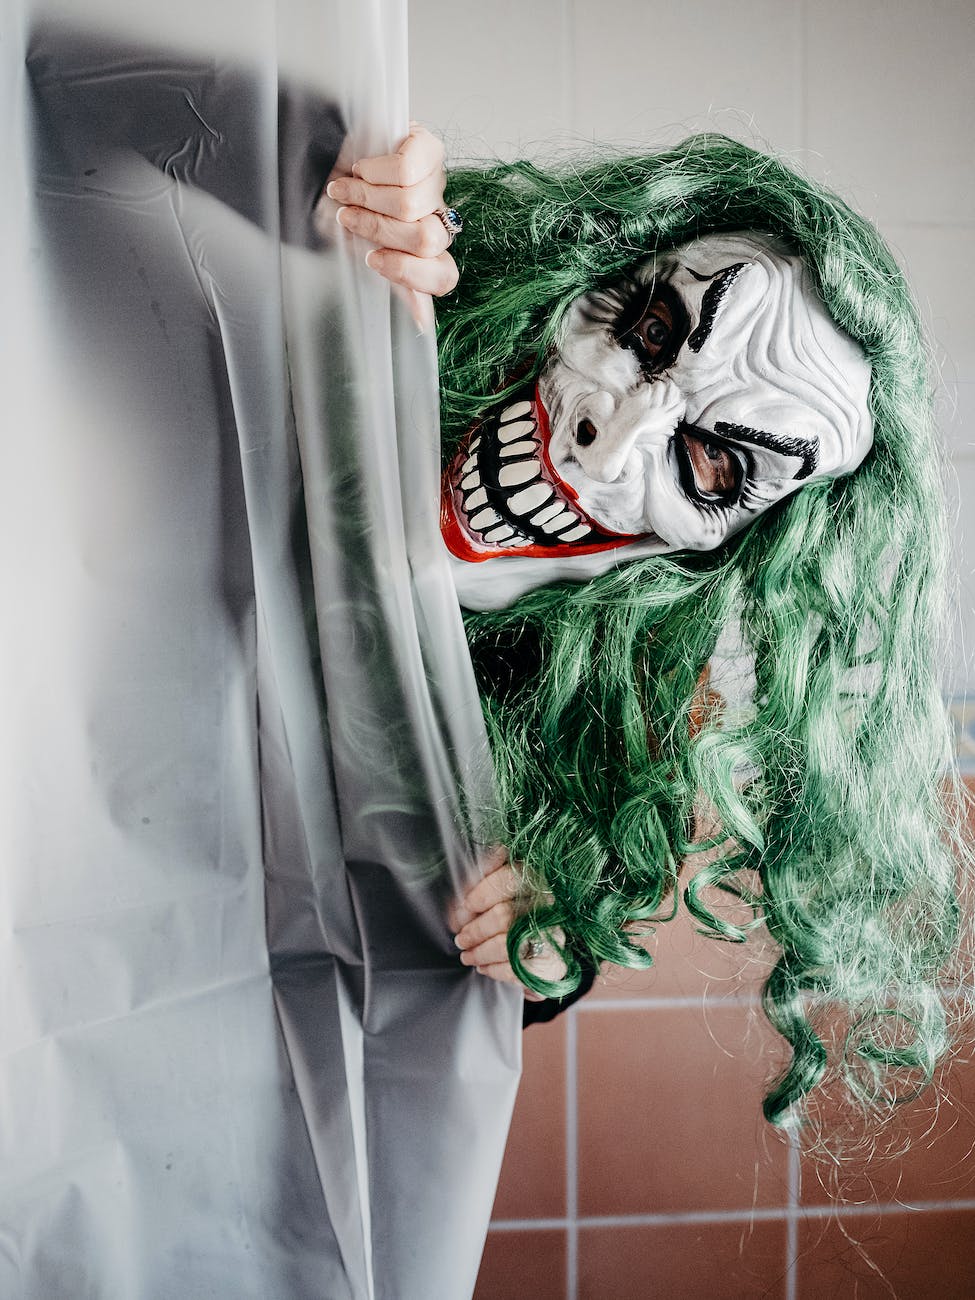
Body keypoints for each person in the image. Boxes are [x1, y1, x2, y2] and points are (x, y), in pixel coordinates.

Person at [335, 123, 971, 1128]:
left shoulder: (625, 711)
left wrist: (544, 934)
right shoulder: (412, 314)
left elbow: (543, 955)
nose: (609, 443)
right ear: (603, 267)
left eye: (714, 465)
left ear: (740, 545)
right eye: (652, 331)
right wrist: (373, 220)